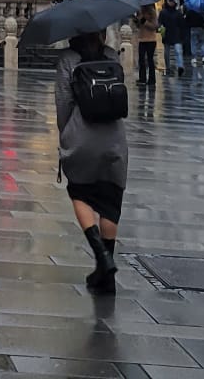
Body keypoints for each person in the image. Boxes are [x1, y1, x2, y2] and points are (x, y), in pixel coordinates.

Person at [55, 30, 129, 295]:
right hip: (114, 136)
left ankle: (102, 256)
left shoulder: (68, 59)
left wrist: (65, 133)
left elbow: (63, 102)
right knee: (110, 201)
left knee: (80, 192)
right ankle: (106, 273)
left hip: (81, 134)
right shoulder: (111, 56)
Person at [159, 0, 187, 78]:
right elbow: (160, 22)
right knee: (171, 52)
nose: (171, 3)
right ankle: (170, 67)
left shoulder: (174, 13)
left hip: (173, 34)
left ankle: (179, 66)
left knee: (176, 51)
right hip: (171, 34)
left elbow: (182, 25)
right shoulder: (173, 13)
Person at [132, 3, 159, 86]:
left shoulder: (152, 12)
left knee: (150, 60)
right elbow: (139, 26)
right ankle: (142, 78)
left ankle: (152, 79)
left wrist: (144, 21)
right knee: (141, 59)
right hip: (142, 39)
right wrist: (136, 21)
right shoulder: (140, 12)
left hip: (151, 39)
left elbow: (154, 26)